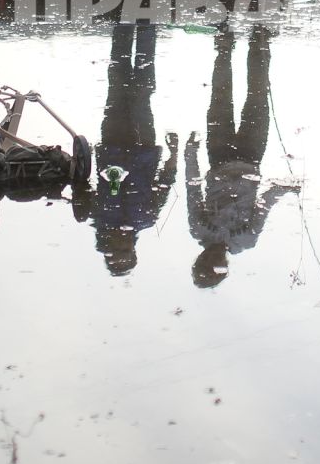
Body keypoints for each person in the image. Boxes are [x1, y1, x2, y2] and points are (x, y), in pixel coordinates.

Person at [185, 23, 294, 288]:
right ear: (226, 268)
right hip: (251, 157)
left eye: (207, 262)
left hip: (218, 156)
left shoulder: (199, 230)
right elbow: (264, 205)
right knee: (257, 97)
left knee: (220, 97)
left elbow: (192, 190)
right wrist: (285, 189)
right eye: (218, 267)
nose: (214, 259)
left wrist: (190, 154)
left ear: (199, 258)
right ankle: (260, 42)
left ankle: (224, 46)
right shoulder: (246, 240)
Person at [90, 20, 176, 276]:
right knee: (142, 90)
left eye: (115, 253)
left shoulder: (99, 218)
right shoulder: (147, 219)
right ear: (134, 250)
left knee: (116, 85)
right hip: (143, 147)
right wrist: (173, 155)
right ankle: (147, 28)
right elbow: (164, 185)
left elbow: (84, 184)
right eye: (125, 253)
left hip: (112, 145)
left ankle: (123, 26)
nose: (120, 247)